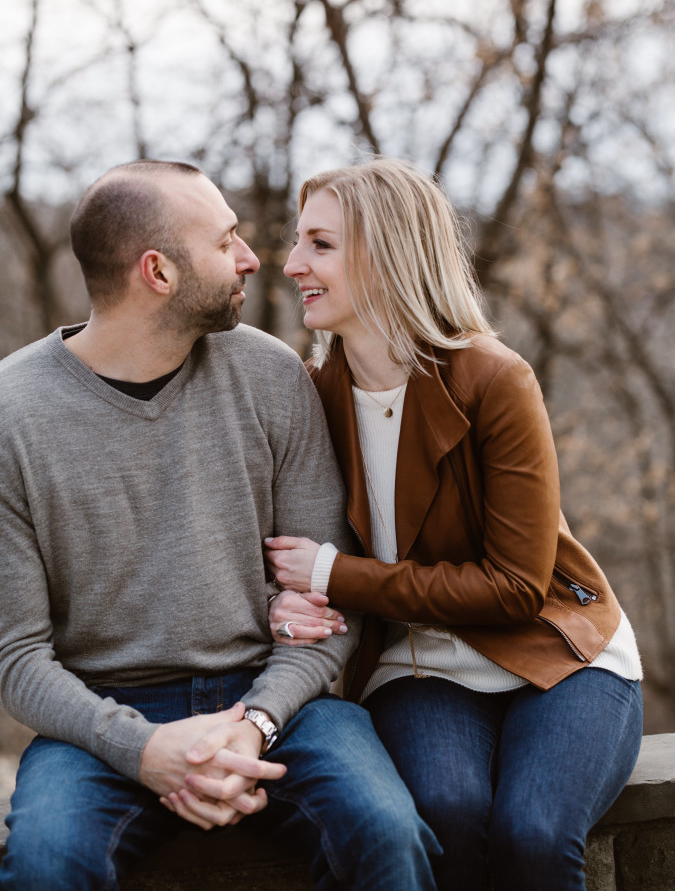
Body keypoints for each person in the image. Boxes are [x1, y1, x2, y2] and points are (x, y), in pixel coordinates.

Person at [0, 160, 439, 891]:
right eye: (225, 240)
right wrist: (141, 749)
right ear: (158, 272)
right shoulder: (8, 417)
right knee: (46, 864)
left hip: (278, 696)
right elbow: (13, 658)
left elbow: (328, 607)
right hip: (99, 718)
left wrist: (255, 720)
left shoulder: (270, 375)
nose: (253, 260)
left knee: (388, 835)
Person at [265, 157, 644, 891]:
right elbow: (284, 551)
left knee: (532, 835)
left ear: (385, 252)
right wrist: (288, 598)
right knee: (446, 812)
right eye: (296, 242)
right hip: (418, 666)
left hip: (555, 653)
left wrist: (332, 576)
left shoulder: (492, 380)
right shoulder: (314, 398)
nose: (290, 265)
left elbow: (514, 588)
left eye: (318, 244)